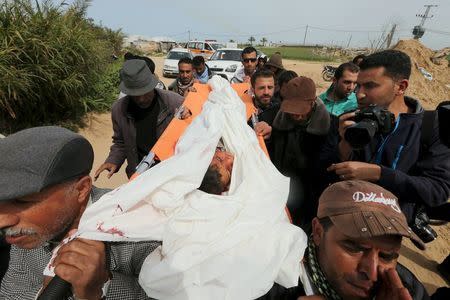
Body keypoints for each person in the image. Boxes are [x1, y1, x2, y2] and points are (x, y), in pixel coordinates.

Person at [0, 126, 159, 299]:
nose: (2, 221)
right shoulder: (24, 235)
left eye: (23, 201)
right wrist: (43, 294)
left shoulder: (140, 229)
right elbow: (10, 291)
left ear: (82, 189)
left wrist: (101, 288)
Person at [321, 49, 450, 225]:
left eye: (371, 86)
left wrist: (379, 174)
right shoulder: (351, 118)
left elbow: (437, 191)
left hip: (391, 226)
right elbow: (326, 173)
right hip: (348, 217)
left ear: (401, 87)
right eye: (359, 85)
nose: (359, 94)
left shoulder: (430, 126)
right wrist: (345, 144)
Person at [260, 180, 429, 300]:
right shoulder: (266, 281)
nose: (371, 273)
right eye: (355, 248)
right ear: (318, 232)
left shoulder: (409, 291)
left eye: (387, 256)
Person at [95, 59, 186, 179]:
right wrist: (113, 160)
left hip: (170, 174)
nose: (141, 99)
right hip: (138, 175)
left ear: (153, 85)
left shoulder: (175, 103)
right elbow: (120, 142)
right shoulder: (119, 109)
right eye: (135, 95)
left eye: (145, 92)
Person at [267, 76, 330, 229]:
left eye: (301, 110)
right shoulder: (276, 117)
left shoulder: (330, 127)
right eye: (292, 110)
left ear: (313, 101)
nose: (297, 116)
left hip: (311, 195)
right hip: (282, 189)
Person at [249, 70, 280, 142]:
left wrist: (272, 132)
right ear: (253, 89)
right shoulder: (242, 108)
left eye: (270, 87)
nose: (266, 92)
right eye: (261, 88)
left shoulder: (281, 111)